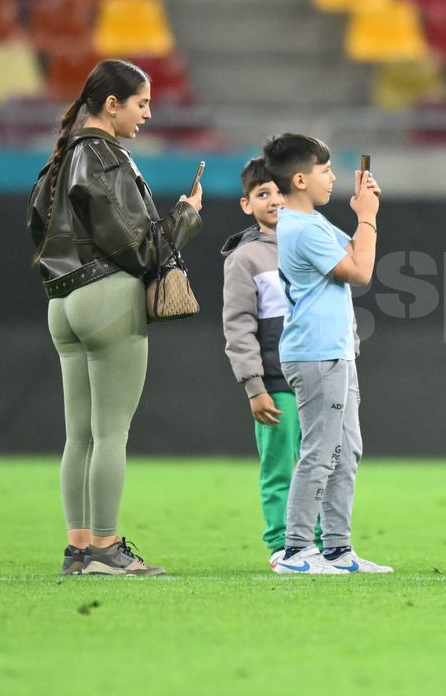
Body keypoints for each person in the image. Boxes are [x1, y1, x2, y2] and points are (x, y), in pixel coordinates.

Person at [27, 59, 202, 576]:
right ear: (111, 104)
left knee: (78, 436)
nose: (147, 114)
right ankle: (105, 549)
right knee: (109, 435)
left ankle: (79, 549)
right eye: (141, 103)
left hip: (63, 303)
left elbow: (37, 227)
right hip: (107, 299)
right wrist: (187, 215)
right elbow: (141, 249)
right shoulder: (106, 159)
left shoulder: (59, 160)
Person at [263, 133, 391, 575]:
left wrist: (362, 216)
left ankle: (337, 549)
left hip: (333, 350)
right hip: (317, 352)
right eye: (325, 170)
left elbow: (353, 251)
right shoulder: (303, 228)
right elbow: (360, 270)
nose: (332, 177)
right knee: (321, 451)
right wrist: (369, 217)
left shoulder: (310, 223)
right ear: (300, 179)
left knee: (346, 450)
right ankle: (297, 550)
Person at [221, 156, 321, 565]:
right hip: (277, 383)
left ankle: (322, 542)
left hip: (320, 377)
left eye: (281, 191)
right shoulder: (245, 259)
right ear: (247, 204)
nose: (275, 200)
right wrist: (254, 386)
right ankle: (283, 544)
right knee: (280, 466)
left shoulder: (317, 244)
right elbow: (238, 327)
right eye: (263, 193)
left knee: (322, 465)